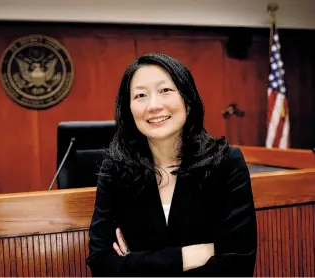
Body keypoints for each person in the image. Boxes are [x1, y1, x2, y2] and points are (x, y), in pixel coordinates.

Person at [86, 53, 257, 276]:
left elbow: (238, 266)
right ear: (128, 110)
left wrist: (136, 263)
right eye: (140, 95)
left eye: (165, 90)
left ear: (187, 101)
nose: (154, 105)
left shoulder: (225, 162)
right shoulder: (116, 170)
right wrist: (186, 257)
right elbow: (101, 264)